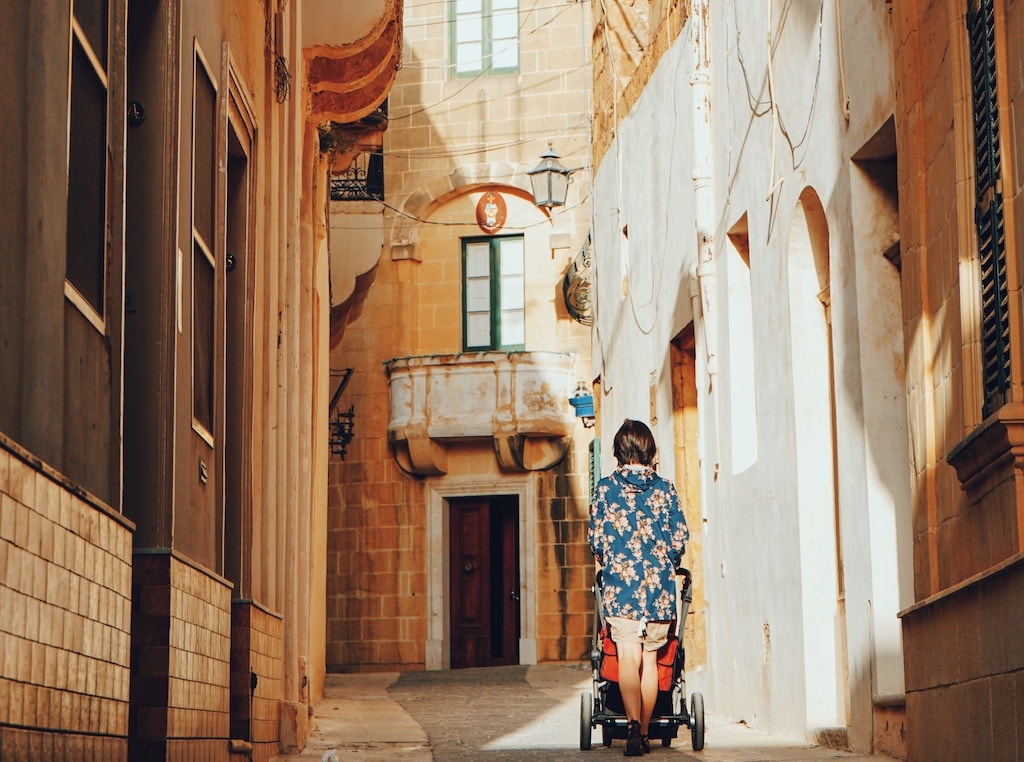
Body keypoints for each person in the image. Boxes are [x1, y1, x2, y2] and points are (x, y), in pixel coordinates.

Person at [588, 419, 689, 756]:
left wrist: (615, 557)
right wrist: (664, 560)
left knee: (628, 657)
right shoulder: (665, 489)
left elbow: (596, 542)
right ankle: (644, 731)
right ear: (649, 450)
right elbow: (679, 539)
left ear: (619, 450)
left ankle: (630, 724)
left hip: (621, 588)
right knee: (649, 658)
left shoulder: (604, 489)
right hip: (659, 590)